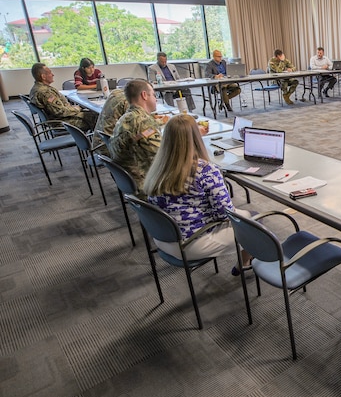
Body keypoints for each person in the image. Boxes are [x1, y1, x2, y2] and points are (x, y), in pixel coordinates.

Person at [143, 114, 251, 272]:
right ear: (196, 137)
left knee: (246, 216)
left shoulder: (158, 168)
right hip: (189, 243)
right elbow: (224, 214)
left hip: (162, 239)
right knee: (255, 225)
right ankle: (242, 264)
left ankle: (244, 262)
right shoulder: (206, 171)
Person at [109, 79, 162, 191]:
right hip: (145, 184)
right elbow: (164, 157)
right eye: (153, 94)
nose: (156, 99)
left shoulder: (126, 117)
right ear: (144, 95)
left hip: (128, 181)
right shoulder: (143, 122)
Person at [29, 62, 98, 132]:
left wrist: (73, 108)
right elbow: (61, 111)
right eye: (50, 73)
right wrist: (77, 108)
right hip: (61, 122)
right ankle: (98, 141)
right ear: (43, 76)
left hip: (57, 119)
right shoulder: (45, 92)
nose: (53, 75)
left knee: (91, 114)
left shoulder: (37, 88)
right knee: (98, 118)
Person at [92, 89, 129, 155]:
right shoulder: (127, 101)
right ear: (144, 95)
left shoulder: (115, 93)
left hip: (100, 143)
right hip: (109, 149)